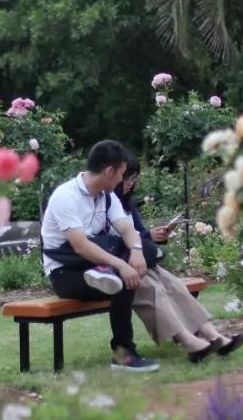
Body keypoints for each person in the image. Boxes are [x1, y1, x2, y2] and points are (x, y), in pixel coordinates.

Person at [114, 154, 243, 363]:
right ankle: (189, 342)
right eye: (127, 178)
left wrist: (154, 236)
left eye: (134, 179)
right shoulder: (104, 202)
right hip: (121, 265)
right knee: (153, 289)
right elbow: (114, 240)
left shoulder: (127, 204)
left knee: (174, 285)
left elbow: (139, 234)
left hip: (140, 260)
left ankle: (213, 336)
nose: (130, 184)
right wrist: (148, 237)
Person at [40, 140, 158, 372]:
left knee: (148, 248)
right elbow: (81, 246)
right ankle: (124, 356)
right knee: (124, 279)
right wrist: (121, 265)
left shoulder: (107, 196)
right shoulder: (66, 196)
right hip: (66, 273)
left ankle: (106, 272)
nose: (122, 181)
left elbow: (126, 229)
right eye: (121, 175)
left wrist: (136, 252)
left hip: (98, 262)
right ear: (109, 171)